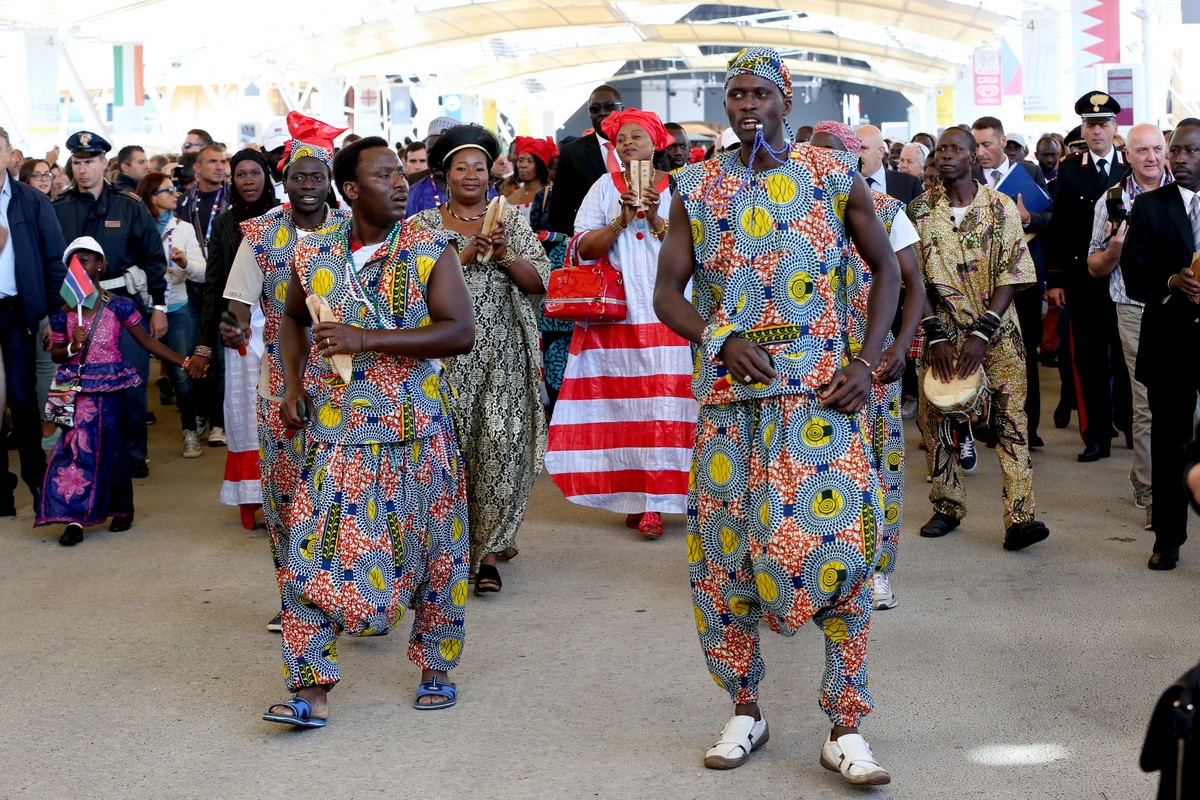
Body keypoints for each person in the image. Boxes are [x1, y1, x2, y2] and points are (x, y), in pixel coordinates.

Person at [655, 47, 900, 787]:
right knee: (724, 557)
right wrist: (719, 338)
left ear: (784, 100)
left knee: (838, 552)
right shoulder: (694, 186)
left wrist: (866, 362)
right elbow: (669, 292)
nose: (748, 105)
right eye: (736, 95)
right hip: (732, 406)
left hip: (823, 399)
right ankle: (746, 706)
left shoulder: (831, 175)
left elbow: (887, 267)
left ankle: (847, 725)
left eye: (761, 93)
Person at [265, 136, 474, 727]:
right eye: (384, 176)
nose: (402, 183)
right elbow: (292, 318)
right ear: (351, 190)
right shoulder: (313, 253)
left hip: (416, 429)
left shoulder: (431, 247)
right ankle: (311, 691)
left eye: (401, 174)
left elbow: (458, 331)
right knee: (312, 552)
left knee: (435, 555)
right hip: (339, 433)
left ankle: (436, 668)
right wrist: (293, 385)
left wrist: (367, 338)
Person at [217, 111, 350, 632]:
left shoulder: (349, 231)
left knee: (343, 490)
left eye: (318, 177)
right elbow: (237, 306)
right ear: (284, 181)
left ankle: (348, 594)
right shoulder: (260, 234)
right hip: (281, 380)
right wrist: (232, 330)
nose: (309, 186)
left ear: (330, 181)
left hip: (346, 380)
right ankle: (295, 599)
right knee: (287, 490)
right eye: (299, 177)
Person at [409, 124, 550, 594]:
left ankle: (487, 553)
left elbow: (538, 284)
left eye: (480, 167)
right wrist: (463, 257)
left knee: (498, 447)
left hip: (503, 353)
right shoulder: (422, 228)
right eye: (461, 167)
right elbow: (406, 288)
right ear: (442, 176)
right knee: (447, 452)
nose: (472, 175)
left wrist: (506, 255)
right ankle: (445, 550)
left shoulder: (510, 218)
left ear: (492, 173)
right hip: (443, 357)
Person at [544, 108, 696, 540]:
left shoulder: (682, 188)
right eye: (621, 138)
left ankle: (657, 501)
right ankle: (637, 497)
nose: (628, 143)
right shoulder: (602, 187)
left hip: (669, 311)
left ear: (656, 144)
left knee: (666, 404)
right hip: (617, 312)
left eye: (638, 136)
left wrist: (656, 220)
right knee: (623, 406)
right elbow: (580, 247)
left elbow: (698, 247)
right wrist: (621, 220)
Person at [910, 127, 1049, 551]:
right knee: (937, 420)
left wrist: (983, 333)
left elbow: (1013, 271)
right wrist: (935, 336)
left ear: (974, 157)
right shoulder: (918, 211)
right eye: (941, 149)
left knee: (1011, 422)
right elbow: (913, 280)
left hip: (998, 333)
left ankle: (1020, 517)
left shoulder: (1001, 207)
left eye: (956, 149)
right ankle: (948, 506)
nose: (946, 155)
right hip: (940, 335)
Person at [809, 121, 924, 612]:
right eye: (815, 154)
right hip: (810, 367)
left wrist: (900, 345)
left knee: (878, 467)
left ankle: (876, 571)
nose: (824, 163)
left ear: (854, 160)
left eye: (835, 155)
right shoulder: (793, 214)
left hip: (872, 365)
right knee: (815, 470)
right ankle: (818, 571)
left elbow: (913, 284)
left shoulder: (888, 211)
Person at [36, 237, 194, 545]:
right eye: (73, 262)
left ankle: (121, 508)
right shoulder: (63, 313)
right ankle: (74, 518)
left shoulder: (120, 306)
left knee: (112, 448)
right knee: (75, 450)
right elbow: (57, 354)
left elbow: (148, 343)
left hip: (110, 389)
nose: (79, 266)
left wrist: (184, 362)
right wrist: (72, 345)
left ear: (100, 265)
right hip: (75, 392)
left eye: (86, 260)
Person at [52, 130, 168, 480]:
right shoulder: (59, 208)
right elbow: (50, 264)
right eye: (76, 162)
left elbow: (153, 257)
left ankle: (133, 455)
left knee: (131, 385)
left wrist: (159, 306)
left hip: (122, 304)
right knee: (80, 387)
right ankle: (85, 457)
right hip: (76, 308)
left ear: (105, 163)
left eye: (89, 161)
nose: (82, 169)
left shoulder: (129, 205)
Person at [1120, 119, 1200, 571]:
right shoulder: (1149, 207)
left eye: (1191, 151)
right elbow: (1134, 276)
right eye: (1177, 152)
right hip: (1170, 340)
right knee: (1170, 443)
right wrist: (1172, 280)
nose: (1180, 160)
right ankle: (1167, 538)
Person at [1086, 124, 1171, 531]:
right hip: (1136, 309)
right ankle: (1151, 488)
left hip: (1187, 308)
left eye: (1158, 148)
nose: (1151, 157)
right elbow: (1094, 266)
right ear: (1128, 155)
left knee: (1190, 404)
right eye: (1142, 150)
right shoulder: (1113, 200)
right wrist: (1114, 248)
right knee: (1147, 399)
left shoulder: (1189, 192)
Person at [192, 149, 280, 521]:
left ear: (267, 178)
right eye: (240, 174)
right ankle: (252, 499)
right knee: (245, 410)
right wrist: (203, 344)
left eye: (254, 173)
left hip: (284, 324)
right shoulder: (225, 225)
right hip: (239, 329)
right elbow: (213, 288)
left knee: (282, 408)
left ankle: (287, 494)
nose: (248, 181)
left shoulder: (286, 218)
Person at [1046, 93, 1130, 463]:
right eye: (1090, 125)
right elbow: (1060, 230)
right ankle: (1096, 435)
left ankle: (1129, 423)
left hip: (1129, 280)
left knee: (1129, 358)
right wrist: (1056, 280)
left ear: (1115, 128)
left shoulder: (1132, 166)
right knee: (1090, 360)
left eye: (1103, 124)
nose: (1097, 131)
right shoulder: (1069, 170)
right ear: (1083, 128)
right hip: (1084, 279)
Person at [972, 115, 1054, 450]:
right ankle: (991, 425)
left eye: (986, 144)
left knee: (1026, 352)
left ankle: (1027, 427)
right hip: (981, 278)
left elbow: (1051, 215)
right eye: (975, 145)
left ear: (1003, 142)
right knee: (987, 350)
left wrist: (1028, 218)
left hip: (1024, 276)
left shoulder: (1030, 173)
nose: (980, 152)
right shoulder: (970, 176)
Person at [0, 126, 65, 517]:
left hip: (19, 313)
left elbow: (55, 260)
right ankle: (2, 493)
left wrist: (54, 315)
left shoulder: (30, 201)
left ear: (11, 157)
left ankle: (38, 484)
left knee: (24, 402)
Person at [137, 171, 206, 458]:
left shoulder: (184, 229)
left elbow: (202, 274)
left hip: (178, 306)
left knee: (182, 371)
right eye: (167, 190)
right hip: (139, 307)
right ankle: (136, 448)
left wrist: (184, 262)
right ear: (151, 198)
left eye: (174, 188)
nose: (175, 194)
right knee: (136, 377)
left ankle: (190, 431)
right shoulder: (137, 226)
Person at [548, 84, 623, 235]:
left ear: (622, 108)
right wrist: (589, 235)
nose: (602, 113)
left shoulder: (640, 147)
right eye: (595, 109)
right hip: (593, 246)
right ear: (589, 114)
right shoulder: (572, 153)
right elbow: (558, 214)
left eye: (609, 106)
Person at [177, 144, 230, 255]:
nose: (219, 167)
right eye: (212, 161)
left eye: (223, 162)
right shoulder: (183, 201)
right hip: (192, 267)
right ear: (197, 168)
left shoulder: (234, 198)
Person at [405, 116, 459, 215]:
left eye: (442, 151)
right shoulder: (413, 196)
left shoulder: (479, 191)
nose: (434, 157)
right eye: (430, 151)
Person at [856, 125, 923, 203]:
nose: (857, 154)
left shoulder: (909, 185)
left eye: (863, 148)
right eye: (854, 148)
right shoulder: (841, 186)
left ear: (880, 152)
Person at [507, 136, 558, 233]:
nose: (523, 165)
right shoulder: (509, 199)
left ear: (541, 165)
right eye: (520, 160)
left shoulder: (552, 193)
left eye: (530, 161)